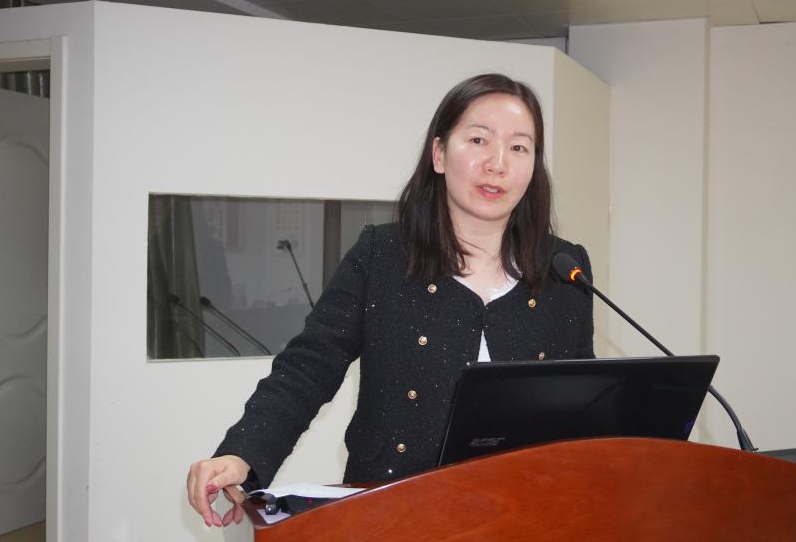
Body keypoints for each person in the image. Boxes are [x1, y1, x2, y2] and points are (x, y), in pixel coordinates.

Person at [186, 74, 594, 527]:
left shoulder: (564, 268)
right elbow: (309, 367)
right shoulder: (382, 255)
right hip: (394, 510)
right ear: (439, 154)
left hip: (526, 514)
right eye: (479, 140)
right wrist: (242, 454)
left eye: (519, 147)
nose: (497, 163)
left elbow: (581, 400)